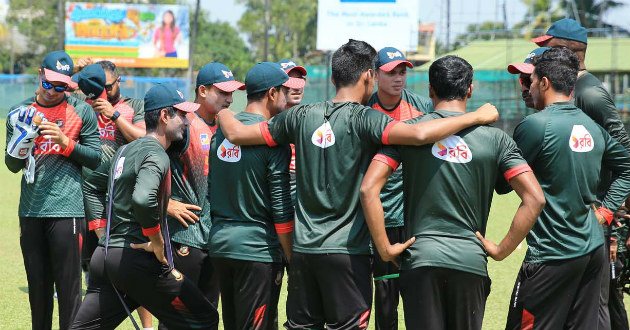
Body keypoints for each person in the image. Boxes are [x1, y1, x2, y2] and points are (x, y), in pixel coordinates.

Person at [215, 39, 499, 330]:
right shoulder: (367, 119)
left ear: (332, 77)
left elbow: (237, 134)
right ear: (368, 76)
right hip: (348, 255)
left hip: (303, 253)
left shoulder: (298, 116)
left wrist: (222, 110)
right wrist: (474, 116)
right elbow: (419, 135)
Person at [361, 55, 545, 330]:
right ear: (470, 89)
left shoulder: (408, 133)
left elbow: (368, 188)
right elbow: (535, 198)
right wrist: (501, 250)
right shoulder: (496, 139)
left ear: (430, 90)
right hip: (469, 261)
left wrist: (385, 249)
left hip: (420, 259)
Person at [71, 84, 219, 330]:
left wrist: (102, 232)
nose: (187, 121)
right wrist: (158, 242)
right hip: (137, 260)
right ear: (164, 116)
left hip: (106, 257)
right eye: (181, 115)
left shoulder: (125, 150)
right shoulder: (156, 153)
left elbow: (91, 186)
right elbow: (143, 198)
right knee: (204, 318)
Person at [504, 47, 630, 330]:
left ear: (544, 83)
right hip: (591, 248)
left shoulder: (534, 126)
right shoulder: (592, 126)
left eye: (530, 80)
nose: (527, 88)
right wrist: (605, 212)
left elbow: (502, 184)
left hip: (551, 251)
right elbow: (627, 167)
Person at [4, 50, 101, 330]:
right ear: (40, 75)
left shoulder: (81, 111)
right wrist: (22, 141)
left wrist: (64, 142)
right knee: (38, 291)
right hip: (31, 211)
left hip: (67, 211)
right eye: (49, 83)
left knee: (70, 294)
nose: (53, 91)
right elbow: (11, 166)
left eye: (61, 86)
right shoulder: (19, 112)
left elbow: (95, 158)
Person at [208, 62, 301, 330]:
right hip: (257, 251)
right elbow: (281, 208)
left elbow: (213, 188)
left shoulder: (220, 134)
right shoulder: (272, 137)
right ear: (272, 94)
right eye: (285, 91)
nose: (288, 97)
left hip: (222, 245)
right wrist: (291, 257)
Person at [158, 62, 245, 330]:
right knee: (177, 316)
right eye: (223, 92)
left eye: (232, 93)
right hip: (185, 237)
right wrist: (167, 204)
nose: (230, 99)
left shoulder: (230, 128)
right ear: (203, 91)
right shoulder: (183, 124)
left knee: (208, 316)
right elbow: (146, 163)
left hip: (217, 238)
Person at [365, 46, 433, 330]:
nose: (398, 77)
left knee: (420, 296)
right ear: (376, 75)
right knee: (385, 299)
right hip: (380, 219)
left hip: (416, 218)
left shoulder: (421, 108)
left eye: (402, 71)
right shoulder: (364, 110)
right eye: (391, 72)